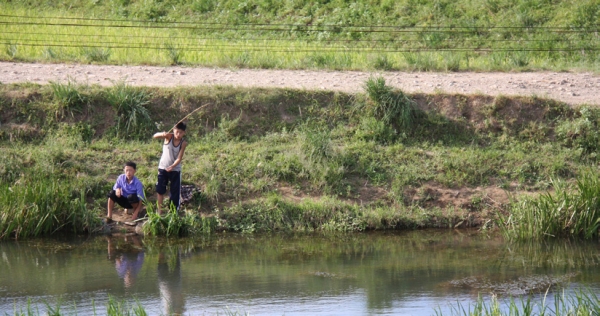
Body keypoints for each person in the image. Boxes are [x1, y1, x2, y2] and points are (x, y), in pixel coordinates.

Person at [153, 122, 188, 213]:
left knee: (174, 191)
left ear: (184, 133)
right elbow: (155, 136)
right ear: (173, 130)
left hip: (175, 170)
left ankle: (173, 211)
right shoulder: (169, 136)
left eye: (181, 132)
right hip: (163, 168)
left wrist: (172, 166)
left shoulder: (183, 143)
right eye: (177, 131)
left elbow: (179, 158)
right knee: (160, 190)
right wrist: (162, 134)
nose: (178, 134)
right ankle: (159, 210)